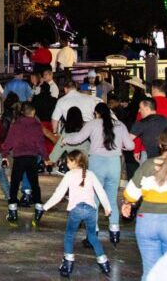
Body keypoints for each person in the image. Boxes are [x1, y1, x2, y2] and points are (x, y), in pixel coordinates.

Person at [122, 127, 167, 279]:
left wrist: (127, 203)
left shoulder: (147, 165)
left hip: (146, 222)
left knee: (150, 272)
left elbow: (131, 193)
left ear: (160, 145)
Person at [63, 102, 135, 246]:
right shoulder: (120, 125)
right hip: (114, 163)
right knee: (111, 199)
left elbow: (78, 138)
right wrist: (118, 144)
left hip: (96, 163)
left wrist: (65, 140)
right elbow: (130, 146)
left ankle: (92, 235)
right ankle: (114, 232)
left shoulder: (92, 124)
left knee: (94, 200)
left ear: (96, 113)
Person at [40, 150, 112, 277]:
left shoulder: (69, 175)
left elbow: (59, 194)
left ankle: (68, 263)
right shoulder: (90, 174)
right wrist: (107, 207)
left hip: (76, 210)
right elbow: (101, 192)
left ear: (74, 162)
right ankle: (104, 262)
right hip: (91, 210)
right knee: (92, 237)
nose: (66, 163)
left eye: (68, 161)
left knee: (69, 236)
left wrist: (45, 207)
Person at [3, 102, 50, 224]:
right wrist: (45, 158)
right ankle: (39, 208)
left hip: (19, 157)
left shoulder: (16, 125)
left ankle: (13, 211)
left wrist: (4, 155)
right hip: (31, 157)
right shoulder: (36, 125)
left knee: (14, 184)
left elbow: (9, 141)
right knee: (35, 184)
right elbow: (40, 143)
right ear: (33, 113)